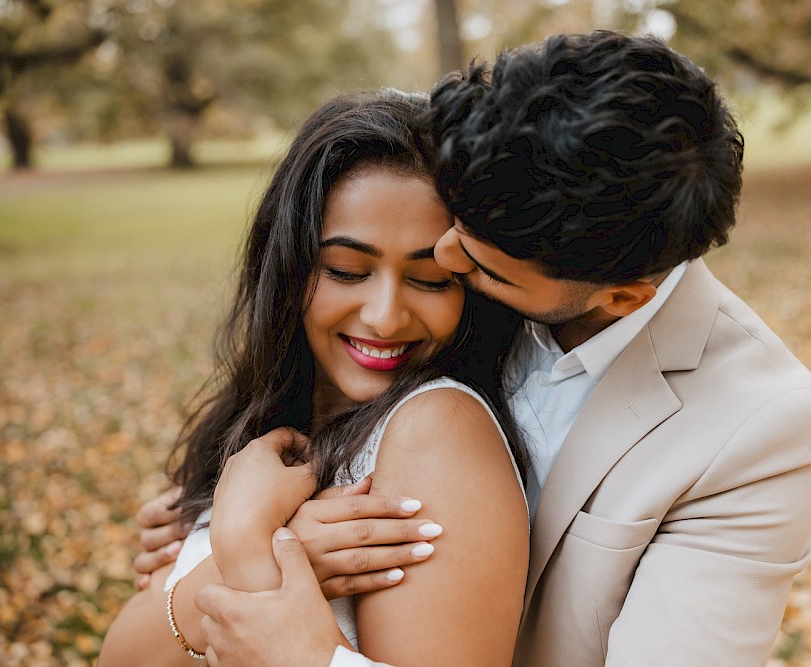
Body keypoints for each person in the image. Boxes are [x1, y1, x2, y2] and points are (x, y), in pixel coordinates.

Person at [139, 31, 811, 666]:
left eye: (461, 268)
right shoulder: (463, 263)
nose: (442, 254)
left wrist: (308, 651)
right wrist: (219, 532)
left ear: (620, 296)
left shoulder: (758, 426)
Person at [99, 89, 531, 666]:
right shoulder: (262, 429)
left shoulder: (438, 431)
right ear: (290, 264)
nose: (384, 316)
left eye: (430, 279)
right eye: (346, 270)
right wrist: (247, 541)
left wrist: (254, 546)